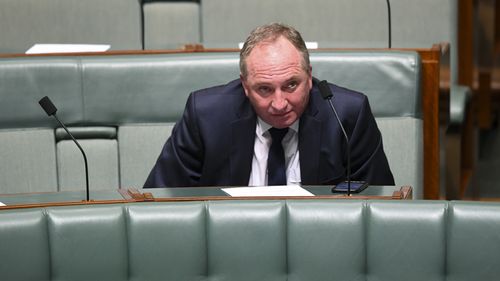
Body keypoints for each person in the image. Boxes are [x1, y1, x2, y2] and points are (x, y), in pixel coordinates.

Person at [144, 23, 394, 188]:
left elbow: (377, 209)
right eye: (264, 89)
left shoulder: (347, 116)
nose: (279, 103)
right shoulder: (206, 116)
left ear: (309, 77)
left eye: (291, 85)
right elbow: (162, 200)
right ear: (244, 85)